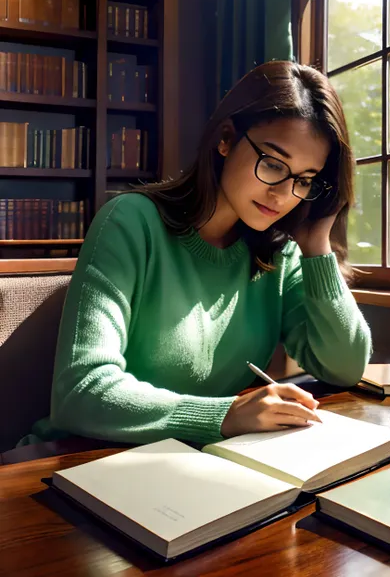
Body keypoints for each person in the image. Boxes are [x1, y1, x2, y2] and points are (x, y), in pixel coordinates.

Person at [21, 61, 371, 448]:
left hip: (191, 460)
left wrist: (317, 245)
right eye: (273, 164)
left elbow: (345, 367)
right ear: (225, 138)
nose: (283, 194)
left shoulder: (279, 251)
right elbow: (80, 393)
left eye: (303, 179)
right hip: (77, 457)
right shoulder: (131, 223)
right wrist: (224, 416)